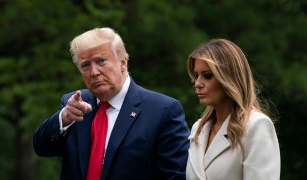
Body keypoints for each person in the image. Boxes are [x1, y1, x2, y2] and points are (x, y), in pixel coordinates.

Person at [33, 27, 190, 180]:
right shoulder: (74, 105)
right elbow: (42, 147)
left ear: (123, 63)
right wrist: (64, 118)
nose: (94, 72)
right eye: (86, 65)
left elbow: (176, 175)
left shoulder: (162, 110)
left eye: (101, 61)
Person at [185, 39, 280, 180]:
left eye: (207, 76)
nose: (198, 83)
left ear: (229, 78)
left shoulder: (256, 125)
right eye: (196, 76)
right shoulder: (198, 129)